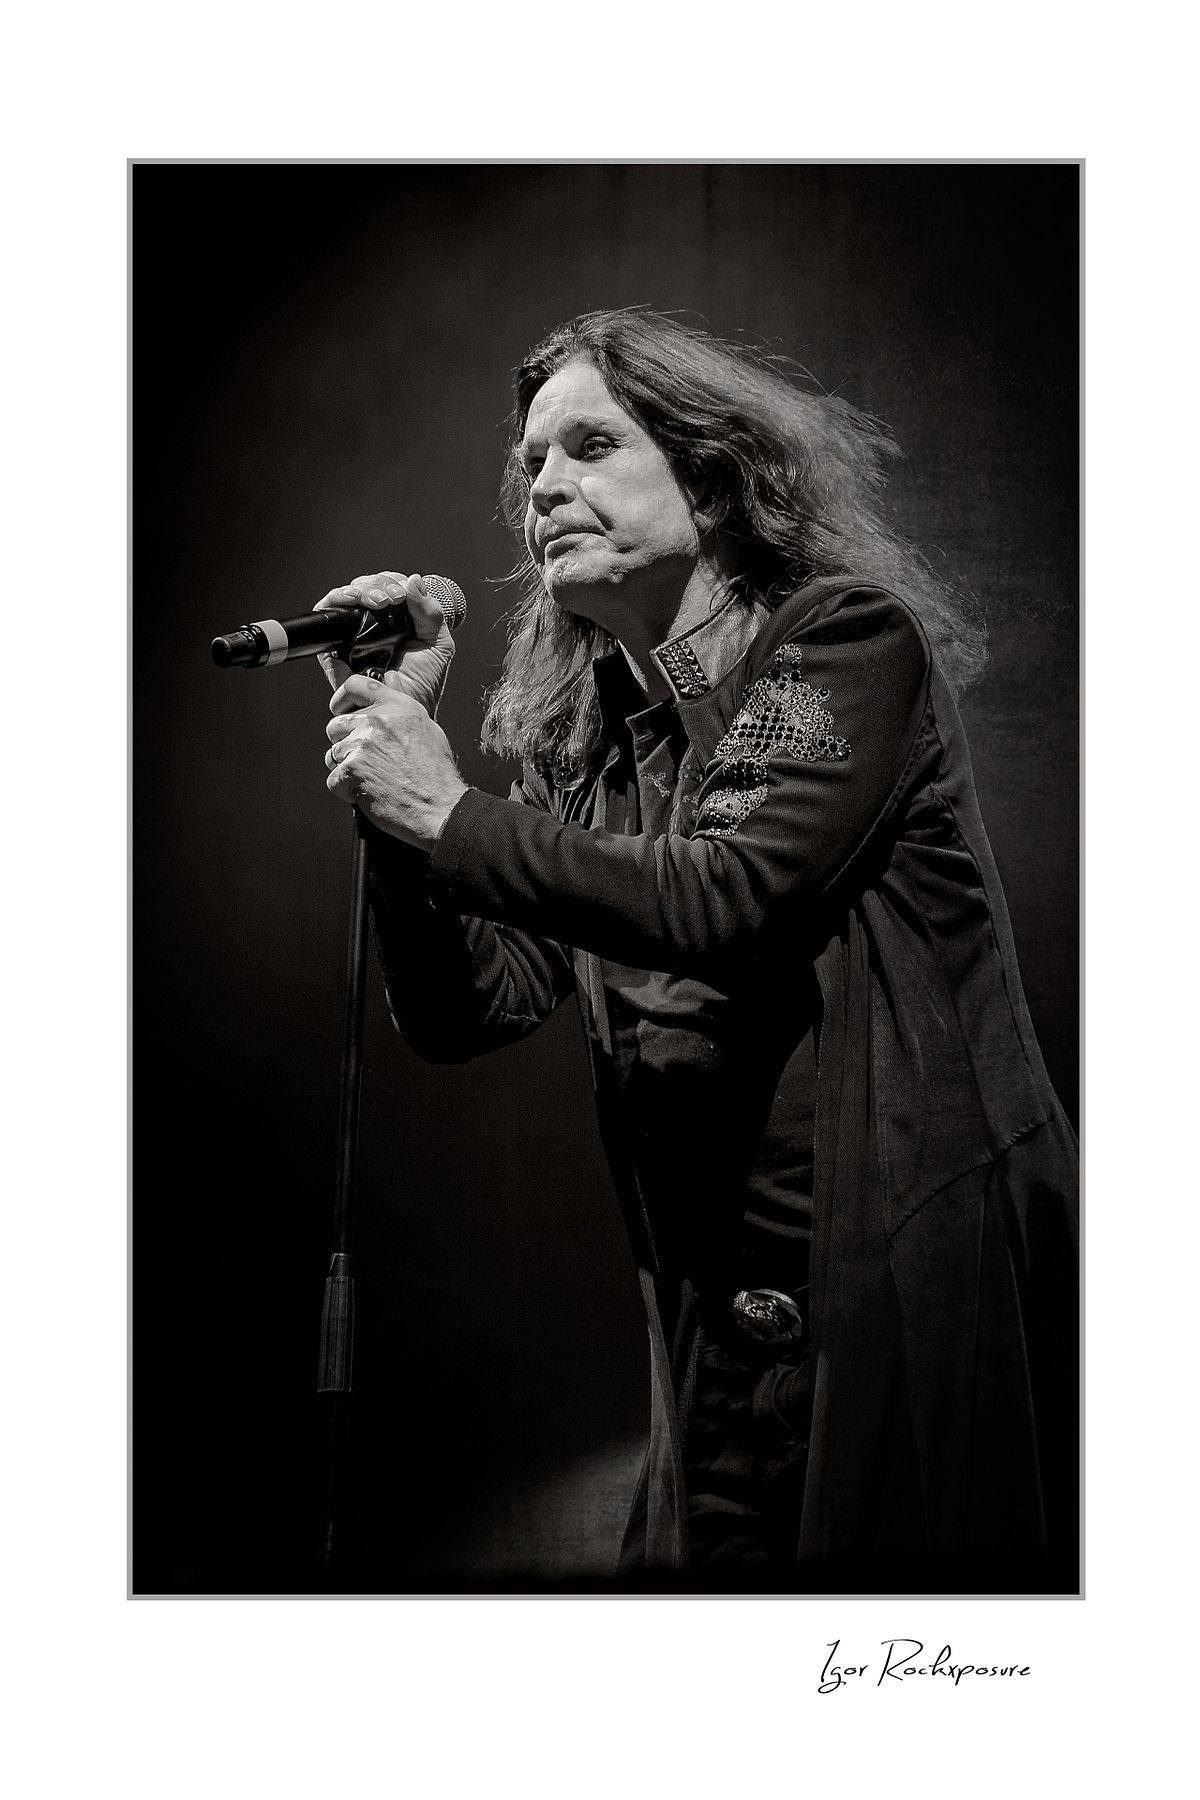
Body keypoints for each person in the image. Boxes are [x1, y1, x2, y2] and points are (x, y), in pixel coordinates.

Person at [314, 308, 1078, 1593]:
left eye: (591, 445)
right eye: (531, 467)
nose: (544, 485)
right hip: (720, 1339)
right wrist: (399, 791)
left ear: (714, 477)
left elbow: (729, 895)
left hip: (896, 1297)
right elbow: (471, 1010)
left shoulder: (841, 642)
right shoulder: (593, 744)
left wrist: (446, 810)